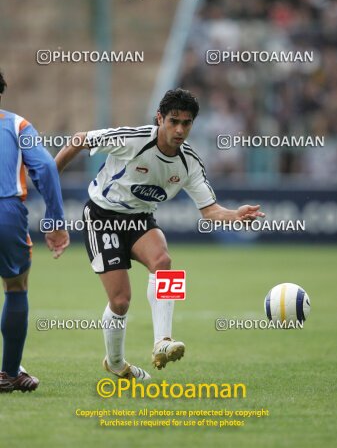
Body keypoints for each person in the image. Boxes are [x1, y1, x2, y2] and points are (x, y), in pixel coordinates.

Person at [55, 88, 264, 380]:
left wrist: (234, 215)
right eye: (173, 121)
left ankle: (162, 342)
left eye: (186, 123)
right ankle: (115, 364)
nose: (179, 129)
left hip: (139, 219)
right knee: (120, 301)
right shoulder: (133, 139)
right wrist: (50, 179)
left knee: (164, 262)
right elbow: (79, 139)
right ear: (159, 119)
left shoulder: (189, 162)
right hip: (102, 217)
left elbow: (209, 210)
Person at [0, 71, 69, 393]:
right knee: (15, 288)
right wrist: (54, 222)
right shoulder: (17, 125)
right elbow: (45, 167)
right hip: (6, 212)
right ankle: (8, 372)